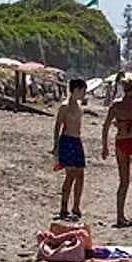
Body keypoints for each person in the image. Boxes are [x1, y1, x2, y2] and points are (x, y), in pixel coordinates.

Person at [101, 77, 132, 227]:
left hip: (121, 140)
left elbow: (105, 126)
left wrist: (105, 146)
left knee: (123, 181)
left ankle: (120, 216)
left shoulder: (115, 106)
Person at [52, 78, 87, 220]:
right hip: (67, 140)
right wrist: (56, 145)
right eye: (82, 91)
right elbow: (58, 126)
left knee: (80, 174)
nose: (84, 94)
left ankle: (76, 206)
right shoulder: (64, 106)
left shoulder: (78, 105)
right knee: (70, 175)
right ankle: (63, 206)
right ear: (76, 90)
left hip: (77, 140)